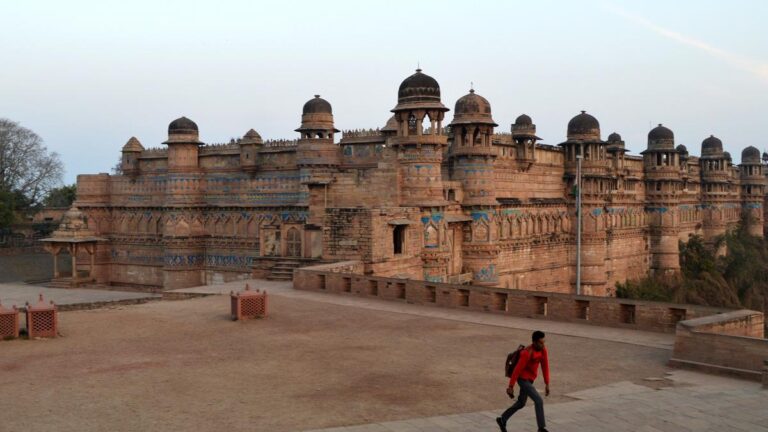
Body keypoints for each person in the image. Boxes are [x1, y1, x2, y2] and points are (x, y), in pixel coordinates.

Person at [496, 330, 550, 432]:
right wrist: (511, 386)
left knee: (521, 403)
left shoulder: (543, 350)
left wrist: (547, 383)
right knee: (538, 400)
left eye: (544, 342)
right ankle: (541, 428)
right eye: (541, 343)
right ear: (534, 342)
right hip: (523, 379)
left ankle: (502, 419)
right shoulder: (526, 353)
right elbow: (517, 370)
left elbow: (545, 366)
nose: (543, 345)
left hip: (530, 380)